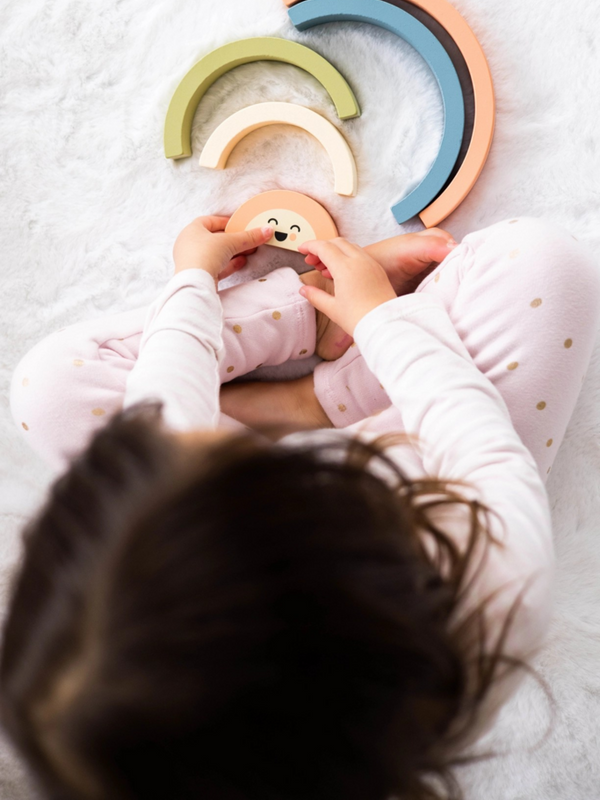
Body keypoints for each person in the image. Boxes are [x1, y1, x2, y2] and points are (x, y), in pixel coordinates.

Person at [2, 213, 599, 800]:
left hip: (270, 489)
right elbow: (479, 444)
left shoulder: (159, 522)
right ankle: (332, 393)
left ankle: (303, 359)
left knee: (49, 390)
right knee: (543, 263)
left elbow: (160, 422)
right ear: (309, 521)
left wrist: (193, 282)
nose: (169, 438)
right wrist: (381, 320)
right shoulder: (486, 590)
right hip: (432, 461)